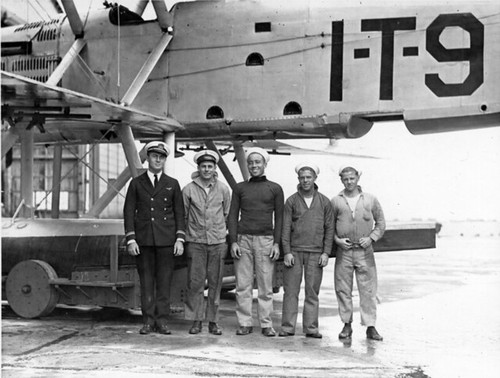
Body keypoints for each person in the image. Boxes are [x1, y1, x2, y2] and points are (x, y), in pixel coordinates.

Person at [123, 141, 185, 335]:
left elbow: (179, 213)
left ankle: (162, 321)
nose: (158, 159)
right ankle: (148, 321)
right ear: (148, 158)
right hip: (144, 241)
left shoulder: (172, 184)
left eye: (161, 157)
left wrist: (180, 239)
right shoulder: (136, 183)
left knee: (164, 282)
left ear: (165, 160)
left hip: (166, 241)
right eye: (154, 156)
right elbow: (128, 212)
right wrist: (131, 239)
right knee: (147, 282)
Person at [228, 147, 284, 337]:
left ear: (265, 164)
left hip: (266, 240)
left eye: (257, 162)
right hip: (243, 240)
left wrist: (276, 243)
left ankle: (266, 324)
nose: (254, 165)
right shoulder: (240, 188)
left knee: (265, 286)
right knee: (243, 285)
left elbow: (280, 219)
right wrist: (233, 241)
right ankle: (245, 322)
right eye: (250, 162)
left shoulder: (275, 188)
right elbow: (233, 216)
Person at [279, 163, 334, 339]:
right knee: (291, 291)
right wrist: (286, 251)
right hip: (294, 252)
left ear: (315, 179)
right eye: (302, 177)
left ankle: (311, 328)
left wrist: (326, 252)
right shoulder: (292, 201)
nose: (305, 180)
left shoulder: (325, 202)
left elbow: (329, 229)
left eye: (308, 177)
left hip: (316, 253)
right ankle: (288, 327)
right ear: (298, 179)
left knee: (312, 292)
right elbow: (285, 228)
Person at [331, 165, 386, 341]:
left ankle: (371, 327)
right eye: (345, 179)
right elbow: (328, 226)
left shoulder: (370, 199)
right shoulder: (336, 201)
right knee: (343, 289)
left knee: (368, 289)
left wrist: (371, 238)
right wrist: (337, 240)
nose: (349, 182)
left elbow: (381, 223)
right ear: (341, 180)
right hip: (344, 252)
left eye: (352, 178)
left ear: (357, 178)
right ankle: (346, 325)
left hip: (365, 251)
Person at [182, 150, 231, 335]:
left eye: (210, 166)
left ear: (215, 168)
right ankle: (196, 320)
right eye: (203, 166)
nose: (207, 169)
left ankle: (213, 321)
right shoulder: (188, 189)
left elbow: (226, 213)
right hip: (196, 242)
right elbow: (184, 215)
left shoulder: (223, 189)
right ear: (198, 168)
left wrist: (221, 233)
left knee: (215, 282)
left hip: (218, 242)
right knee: (195, 283)